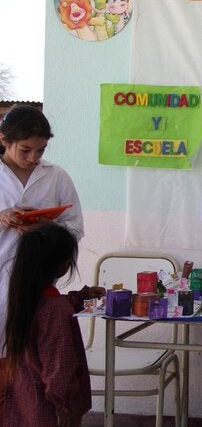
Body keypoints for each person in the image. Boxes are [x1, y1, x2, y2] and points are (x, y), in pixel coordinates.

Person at [0, 105, 84, 359]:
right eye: (25, 150)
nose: (33, 158)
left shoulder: (56, 176)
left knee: (32, 361)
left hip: (39, 284)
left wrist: (45, 229)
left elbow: (75, 227)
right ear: (4, 140)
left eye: (41, 150)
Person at [2, 223, 103, 426]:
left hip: (24, 400)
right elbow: (60, 367)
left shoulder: (24, 297)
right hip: (50, 411)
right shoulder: (56, 311)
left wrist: (80, 298)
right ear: (64, 266)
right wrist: (64, 407)